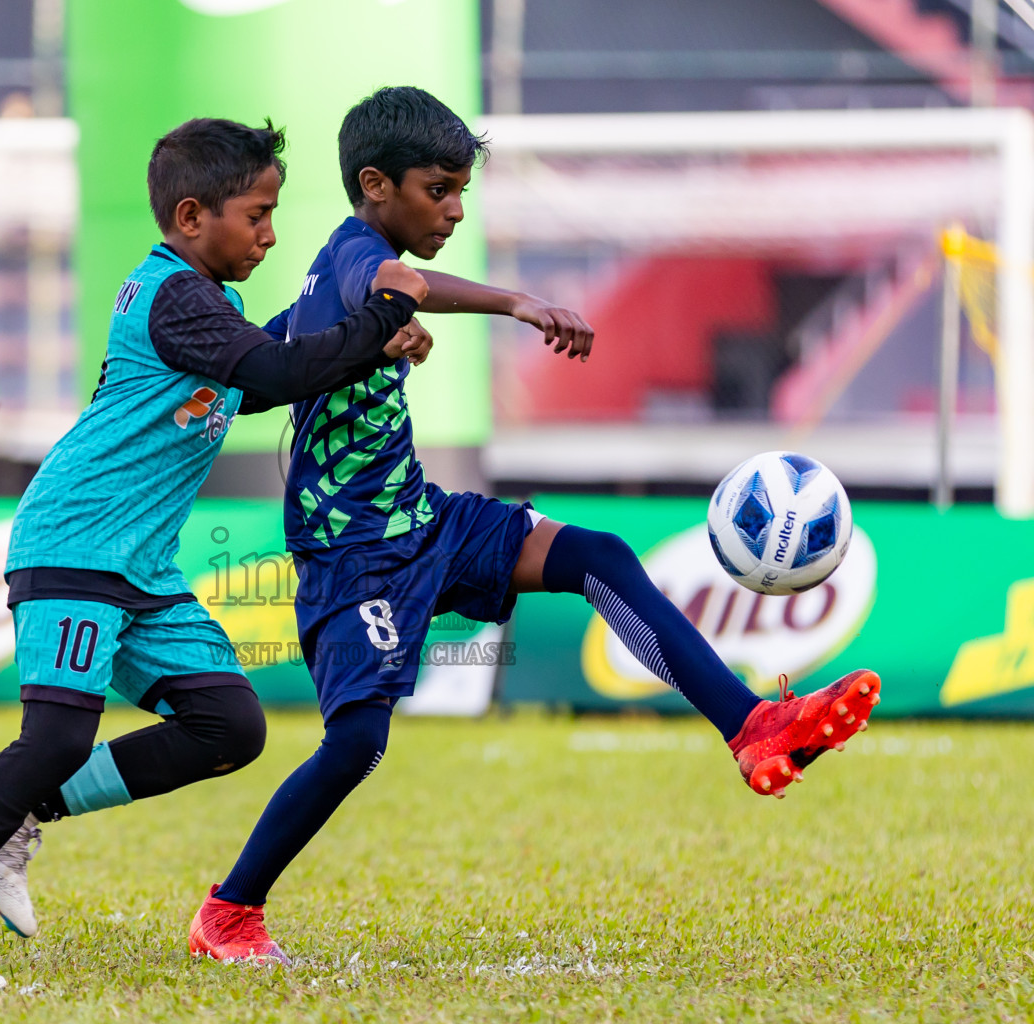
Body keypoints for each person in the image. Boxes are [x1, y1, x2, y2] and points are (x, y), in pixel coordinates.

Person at [185, 86, 884, 965]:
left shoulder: (336, 271)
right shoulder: (361, 253)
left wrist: (372, 342)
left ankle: (752, 728)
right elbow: (399, 284)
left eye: (459, 190)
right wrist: (515, 302)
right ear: (376, 184)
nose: (454, 208)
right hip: (351, 556)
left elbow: (282, 361)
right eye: (438, 189)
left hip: (425, 520)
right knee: (357, 742)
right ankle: (230, 910)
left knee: (596, 555)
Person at [0, 116, 431, 988]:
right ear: (192, 216)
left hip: (137, 565)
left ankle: (3, 811)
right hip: (79, 540)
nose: (270, 234)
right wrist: (386, 310)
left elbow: (269, 366)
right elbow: (275, 374)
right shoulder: (176, 297)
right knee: (54, 737)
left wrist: (364, 341)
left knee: (227, 724)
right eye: (257, 215)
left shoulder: (202, 303)